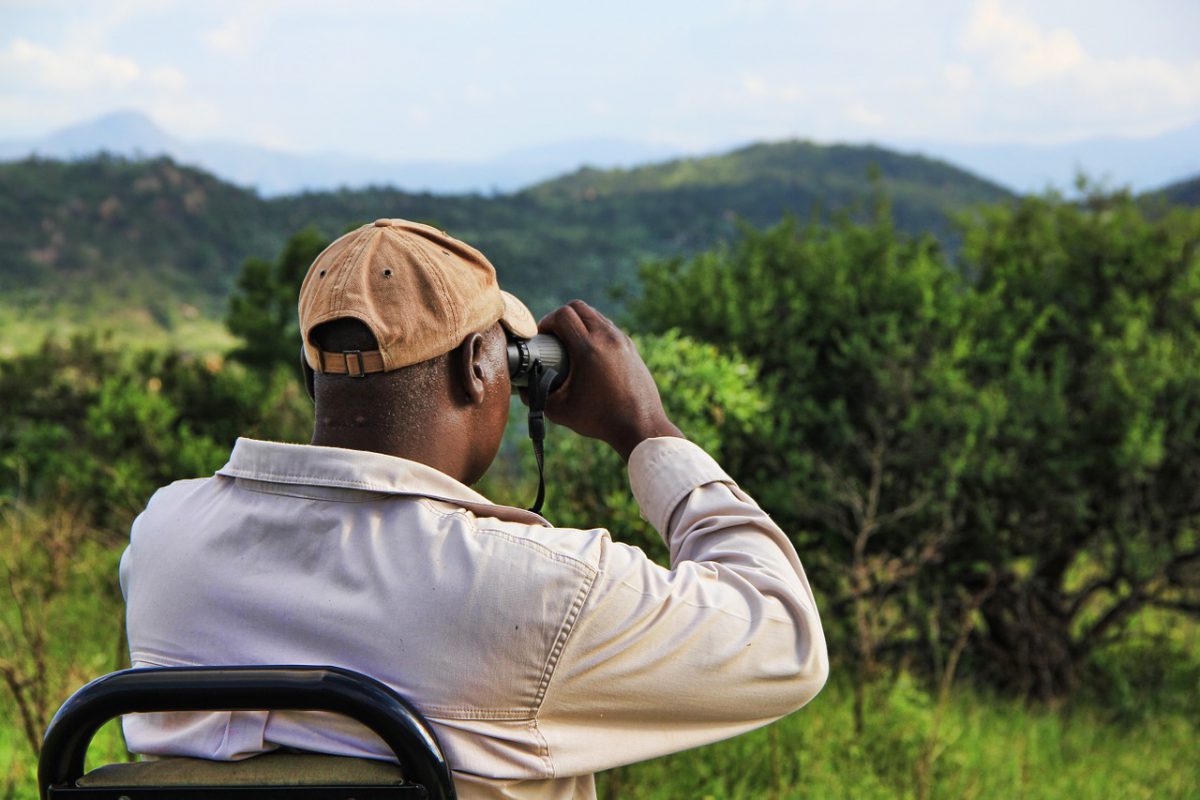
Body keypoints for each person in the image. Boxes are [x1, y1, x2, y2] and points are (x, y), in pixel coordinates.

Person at [119, 219, 828, 799]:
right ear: (480, 369)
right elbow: (785, 641)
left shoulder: (163, 541)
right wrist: (647, 430)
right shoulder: (539, 588)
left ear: (313, 376)